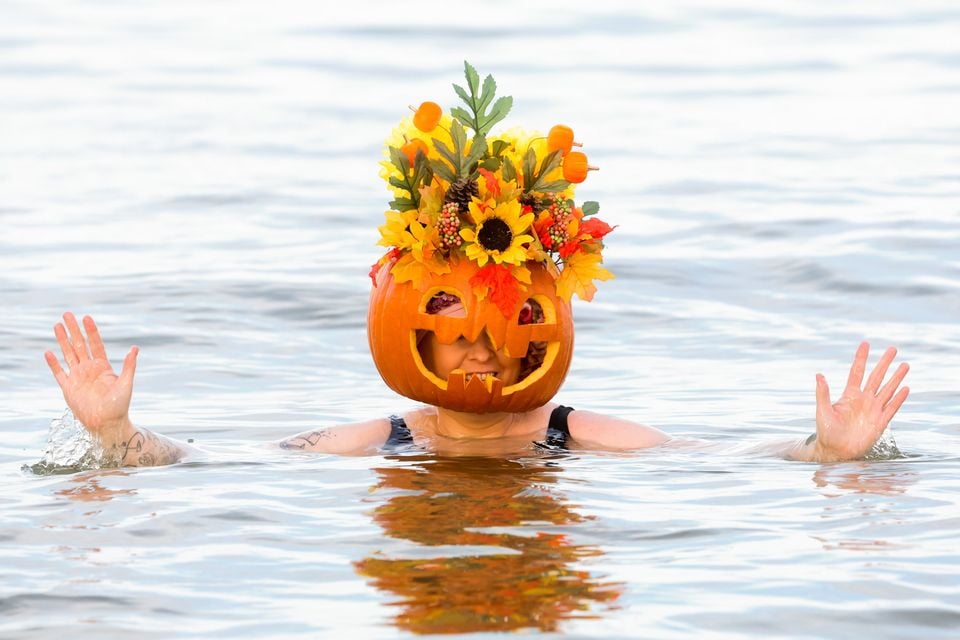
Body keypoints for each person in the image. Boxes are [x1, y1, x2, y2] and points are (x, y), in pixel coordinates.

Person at [42, 63, 910, 466]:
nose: (482, 345)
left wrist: (826, 453)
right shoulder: (384, 442)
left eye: (518, 317)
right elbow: (220, 462)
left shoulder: (577, 437)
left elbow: (715, 457)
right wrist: (117, 435)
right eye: (451, 322)